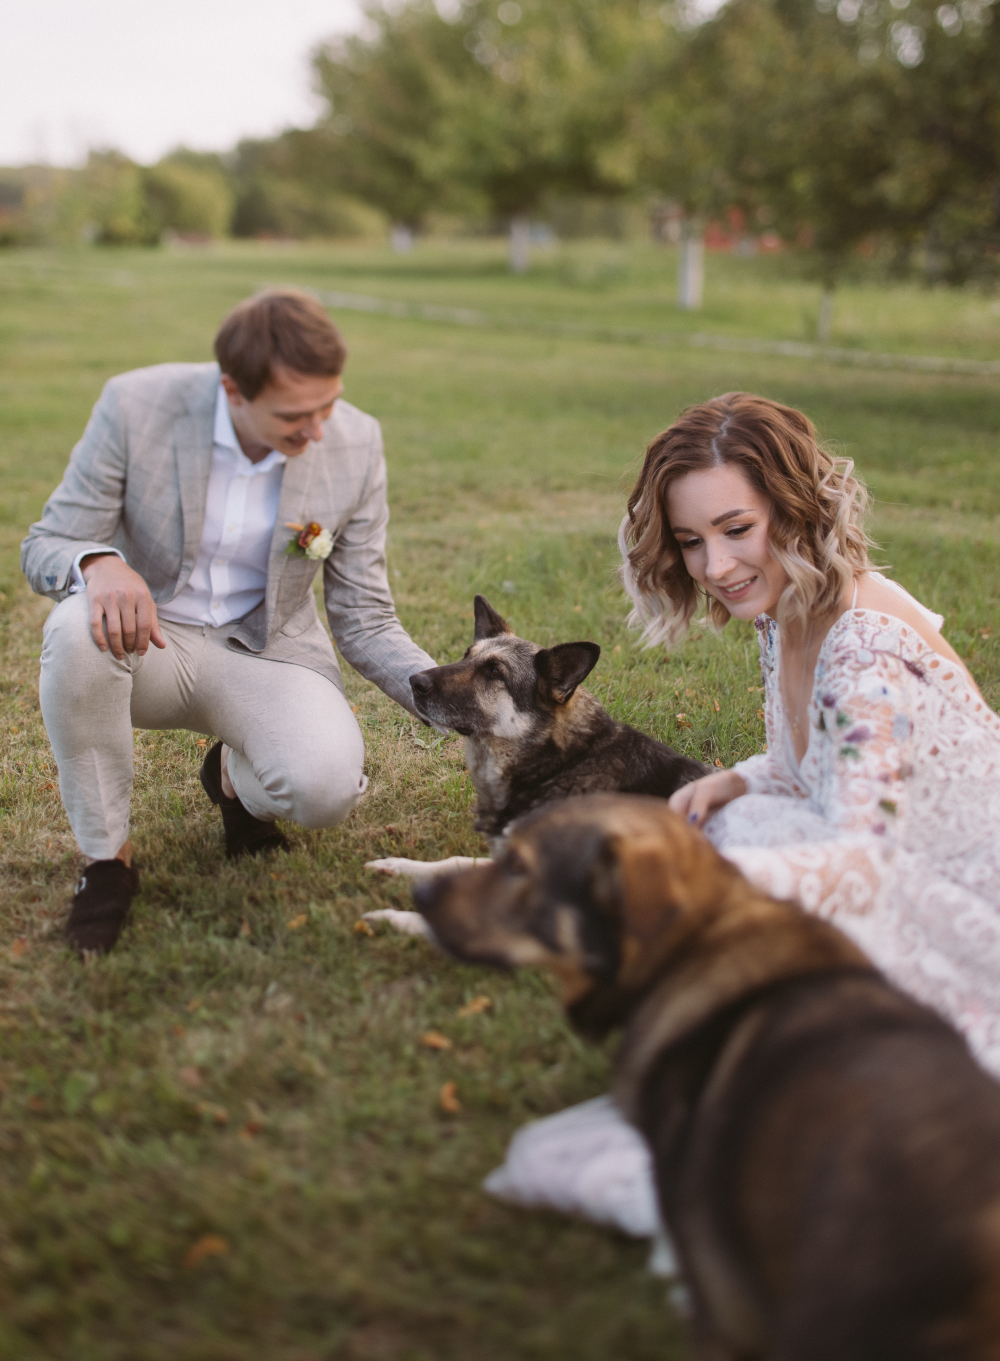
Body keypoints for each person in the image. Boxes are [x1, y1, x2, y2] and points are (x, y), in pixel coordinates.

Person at [482, 389, 1000, 1255]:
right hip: (901, 870)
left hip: (961, 916)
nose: (715, 566)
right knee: (733, 819)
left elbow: (866, 861)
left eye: (736, 529)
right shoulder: (792, 610)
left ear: (796, 509)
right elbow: (814, 762)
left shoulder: (864, 646)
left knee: (725, 857)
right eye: (690, 541)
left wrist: (687, 887)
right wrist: (739, 777)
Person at [22, 287, 436, 957]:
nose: (317, 431)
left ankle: (231, 784)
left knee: (325, 790)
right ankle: (106, 862)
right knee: (76, 631)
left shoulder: (356, 442)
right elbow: (46, 544)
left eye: (328, 405)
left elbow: (364, 615)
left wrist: (448, 696)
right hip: (148, 644)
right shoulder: (135, 407)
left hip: (267, 651)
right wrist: (98, 563)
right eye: (294, 415)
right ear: (233, 392)